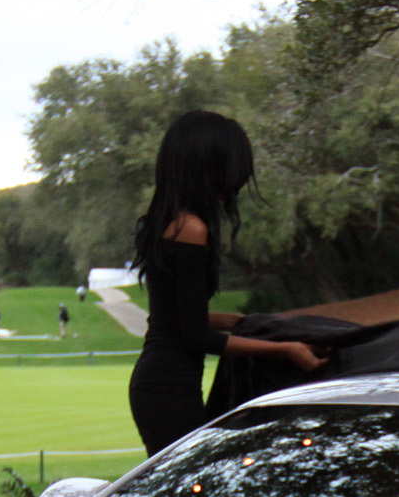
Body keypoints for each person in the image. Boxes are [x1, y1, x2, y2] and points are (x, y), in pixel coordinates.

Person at [128, 110, 324, 456]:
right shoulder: (190, 228)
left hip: (160, 384)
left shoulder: (169, 222)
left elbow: (177, 317)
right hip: (167, 389)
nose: (235, 180)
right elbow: (195, 335)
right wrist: (286, 350)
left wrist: (249, 323)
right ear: (208, 166)